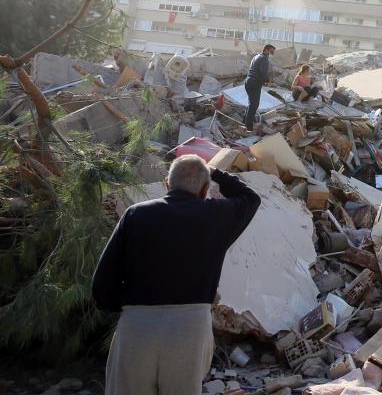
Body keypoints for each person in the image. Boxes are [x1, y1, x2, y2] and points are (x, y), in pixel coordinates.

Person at [92, 155, 261, 395]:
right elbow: (251, 198)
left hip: (137, 326)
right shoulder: (216, 215)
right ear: (205, 190)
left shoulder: (135, 215)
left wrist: (134, 307)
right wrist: (216, 172)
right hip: (190, 329)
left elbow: (101, 287)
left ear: (166, 184)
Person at [244, 44, 275, 131]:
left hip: (248, 81)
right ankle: (248, 126)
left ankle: (246, 121)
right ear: (267, 50)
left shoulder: (256, 56)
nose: (273, 53)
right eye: (272, 50)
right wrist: (268, 80)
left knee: (251, 103)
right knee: (254, 104)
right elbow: (262, 72)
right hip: (254, 83)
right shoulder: (264, 58)